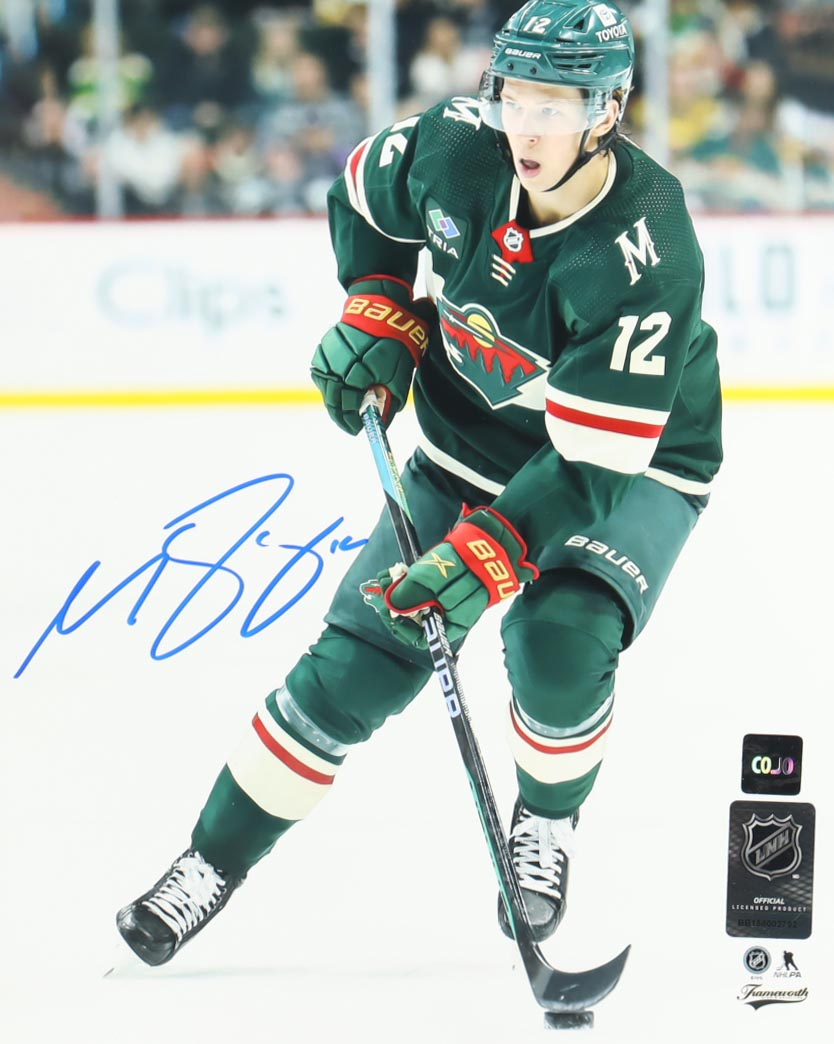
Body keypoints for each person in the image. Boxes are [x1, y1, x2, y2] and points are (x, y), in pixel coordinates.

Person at [116, 0, 722, 966]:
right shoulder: (456, 146)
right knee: (358, 658)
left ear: (608, 110)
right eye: (515, 97)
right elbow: (363, 200)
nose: (526, 128)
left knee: (558, 640)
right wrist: (379, 304)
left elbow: (593, 460)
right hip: (465, 441)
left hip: (629, 464)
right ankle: (210, 860)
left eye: (555, 106)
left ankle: (548, 818)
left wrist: (492, 550)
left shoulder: (645, 248)